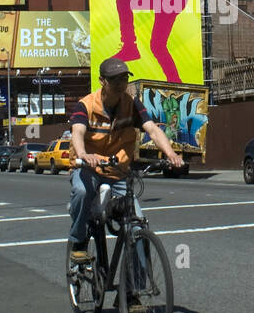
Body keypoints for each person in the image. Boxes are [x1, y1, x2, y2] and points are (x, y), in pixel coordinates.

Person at [68, 57, 184, 262]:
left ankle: (135, 289)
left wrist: (171, 154)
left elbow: (152, 129)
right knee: (82, 190)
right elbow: (77, 132)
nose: (121, 84)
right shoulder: (85, 105)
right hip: (90, 168)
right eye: (115, 80)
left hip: (118, 172)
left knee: (138, 226)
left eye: (124, 78)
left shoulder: (131, 104)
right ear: (102, 81)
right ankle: (79, 240)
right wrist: (84, 154)